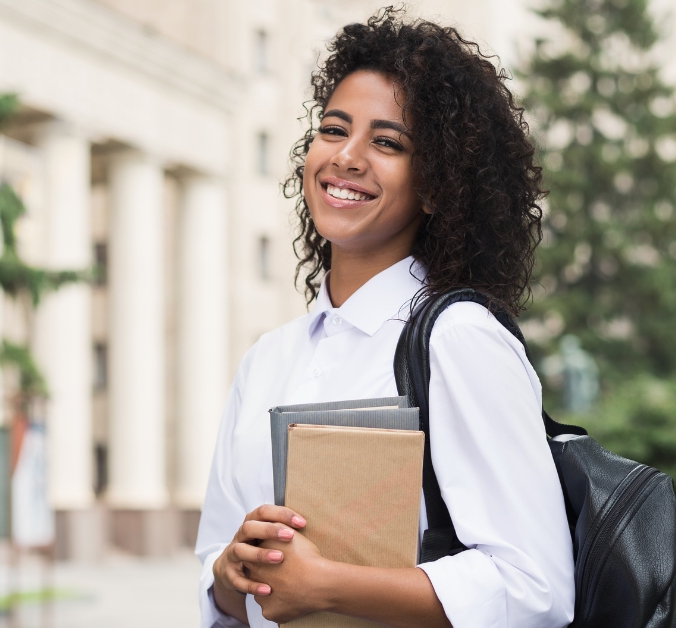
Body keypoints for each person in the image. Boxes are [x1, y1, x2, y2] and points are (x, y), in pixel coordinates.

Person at [196, 9, 575, 628]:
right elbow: (217, 578)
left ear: (435, 187)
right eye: (333, 129)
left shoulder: (458, 340)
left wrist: (330, 587)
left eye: (388, 142)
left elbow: (536, 587)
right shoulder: (267, 359)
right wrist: (228, 575)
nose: (346, 157)